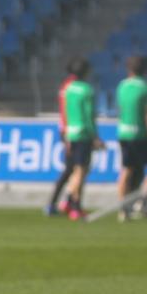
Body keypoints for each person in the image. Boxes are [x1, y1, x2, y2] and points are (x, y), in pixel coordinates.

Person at [114, 55, 147, 221]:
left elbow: (120, 109)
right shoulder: (145, 88)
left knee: (127, 170)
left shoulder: (122, 85)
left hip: (123, 132)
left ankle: (123, 209)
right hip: (140, 135)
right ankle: (143, 202)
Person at [59, 58, 101, 222]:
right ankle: (73, 204)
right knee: (81, 171)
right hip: (83, 134)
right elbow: (89, 115)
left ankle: (70, 203)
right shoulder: (86, 90)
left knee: (77, 170)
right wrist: (95, 136)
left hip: (71, 133)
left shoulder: (69, 89)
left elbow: (66, 113)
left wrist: (67, 135)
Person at [47, 60, 79, 216]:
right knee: (71, 170)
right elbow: (67, 113)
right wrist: (67, 135)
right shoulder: (72, 87)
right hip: (69, 131)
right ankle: (58, 203)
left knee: (72, 170)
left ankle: (65, 202)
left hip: (67, 130)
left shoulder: (67, 85)